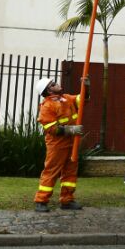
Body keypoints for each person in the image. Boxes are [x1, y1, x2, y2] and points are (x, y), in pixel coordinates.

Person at [33, 77, 84, 212]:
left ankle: (67, 200)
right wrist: (72, 129)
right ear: (49, 90)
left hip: (71, 142)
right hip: (57, 144)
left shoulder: (66, 98)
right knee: (51, 171)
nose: (57, 84)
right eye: (54, 84)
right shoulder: (47, 106)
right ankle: (41, 201)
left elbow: (83, 99)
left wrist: (86, 85)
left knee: (70, 172)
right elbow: (51, 128)